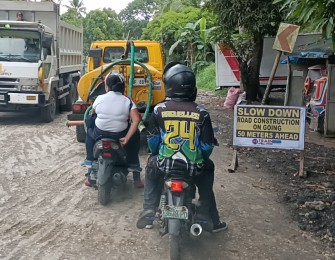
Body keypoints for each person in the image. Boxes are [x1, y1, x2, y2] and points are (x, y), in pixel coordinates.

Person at [136, 62, 227, 232]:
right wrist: (201, 158)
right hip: (193, 168)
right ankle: (209, 217)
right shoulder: (202, 112)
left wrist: (154, 153)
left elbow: (153, 141)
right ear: (193, 88)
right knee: (208, 171)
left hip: (165, 165)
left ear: (169, 86)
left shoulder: (159, 110)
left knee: (150, 167)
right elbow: (207, 146)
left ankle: (149, 210)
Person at [83, 71, 144, 188]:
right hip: (119, 136)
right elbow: (136, 120)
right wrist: (126, 138)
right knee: (135, 134)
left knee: (89, 126)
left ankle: (90, 163)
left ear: (107, 87)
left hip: (99, 134)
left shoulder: (99, 98)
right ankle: (136, 175)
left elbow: (91, 115)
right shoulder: (128, 101)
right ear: (123, 87)